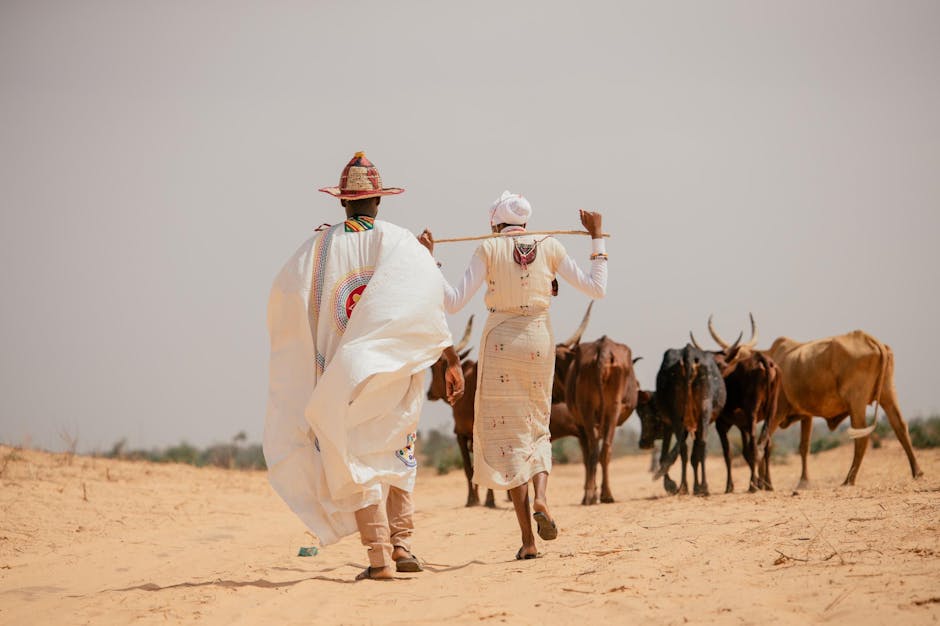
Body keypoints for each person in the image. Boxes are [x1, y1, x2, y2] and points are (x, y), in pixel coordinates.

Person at [263, 152, 465, 581]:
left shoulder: (317, 248)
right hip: (395, 371)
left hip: (343, 375)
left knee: (355, 459)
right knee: (398, 452)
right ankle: (402, 543)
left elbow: (286, 297)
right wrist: (450, 359)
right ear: (378, 200)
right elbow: (427, 303)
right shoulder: (402, 243)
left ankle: (378, 558)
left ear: (342, 201)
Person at [420, 191, 607, 560]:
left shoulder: (489, 248)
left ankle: (528, 541)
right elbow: (597, 289)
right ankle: (542, 497)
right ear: (525, 222)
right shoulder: (550, 245)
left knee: (509, 439)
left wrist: (430, 261)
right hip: (539, 340)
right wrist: (597, 236)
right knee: (538, 427)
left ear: (495, 224)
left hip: (501, 343)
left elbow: (453, 302)